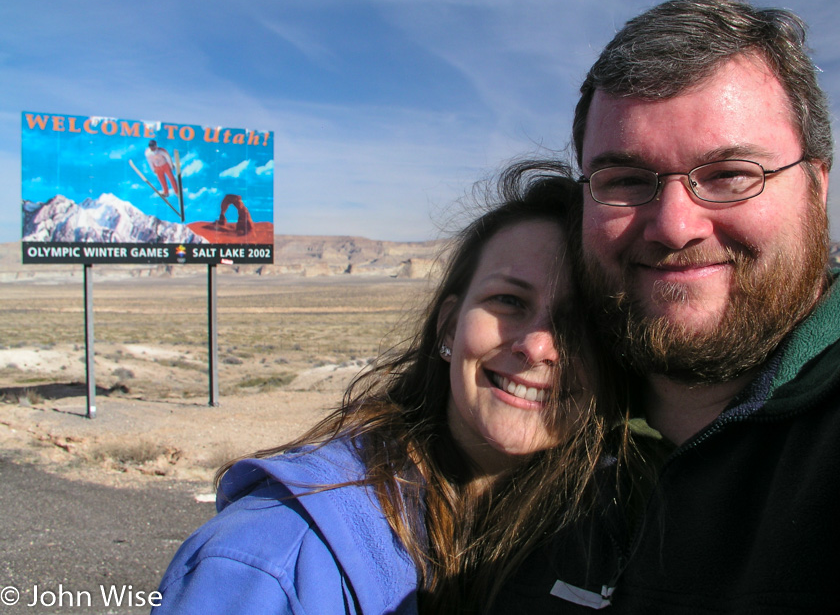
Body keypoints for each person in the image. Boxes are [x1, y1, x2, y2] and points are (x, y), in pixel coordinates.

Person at [493, 0, 840, 614]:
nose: (675, 226)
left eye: (732, 174)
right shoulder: (535, 412)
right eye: (625, 180)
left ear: (817, 185)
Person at [153, 161, 653, 614]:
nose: (538, 347)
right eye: (508, 301)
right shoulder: (273, 562)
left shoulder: (632, 532)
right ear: (449, 327)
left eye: (581, 322)